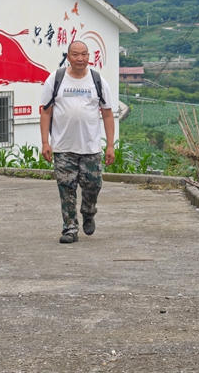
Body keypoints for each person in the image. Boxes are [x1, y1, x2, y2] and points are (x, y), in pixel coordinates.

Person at [40, 40, 115, 244]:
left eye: (84, 54)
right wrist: (45, 142)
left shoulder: (98, 81)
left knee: (93, 186)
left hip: (90, 147)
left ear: (89, 57)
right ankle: (70, 229)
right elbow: (46, 113)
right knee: (66, 188)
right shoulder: (55, 79)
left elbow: (108, 114)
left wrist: (110, 145)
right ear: (68, 56)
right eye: (75, 54)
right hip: (63, 147)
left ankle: (88, 212)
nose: (80, 58)